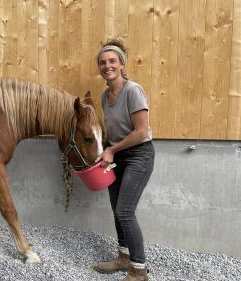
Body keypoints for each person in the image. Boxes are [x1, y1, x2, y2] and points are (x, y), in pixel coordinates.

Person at [91, 39, 155, 281]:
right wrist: (104, 151)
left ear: (121, 64)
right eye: (102, 62)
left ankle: (139, 270)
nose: (107, 66)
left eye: (112, 61)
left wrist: (112, 150)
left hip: (140, 154)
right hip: (118, 155)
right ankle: (124, 257)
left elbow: (140, 131)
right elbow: (114, 132)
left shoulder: (132, 90)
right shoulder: (105, 95)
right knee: (117, 209)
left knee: (125, 211)